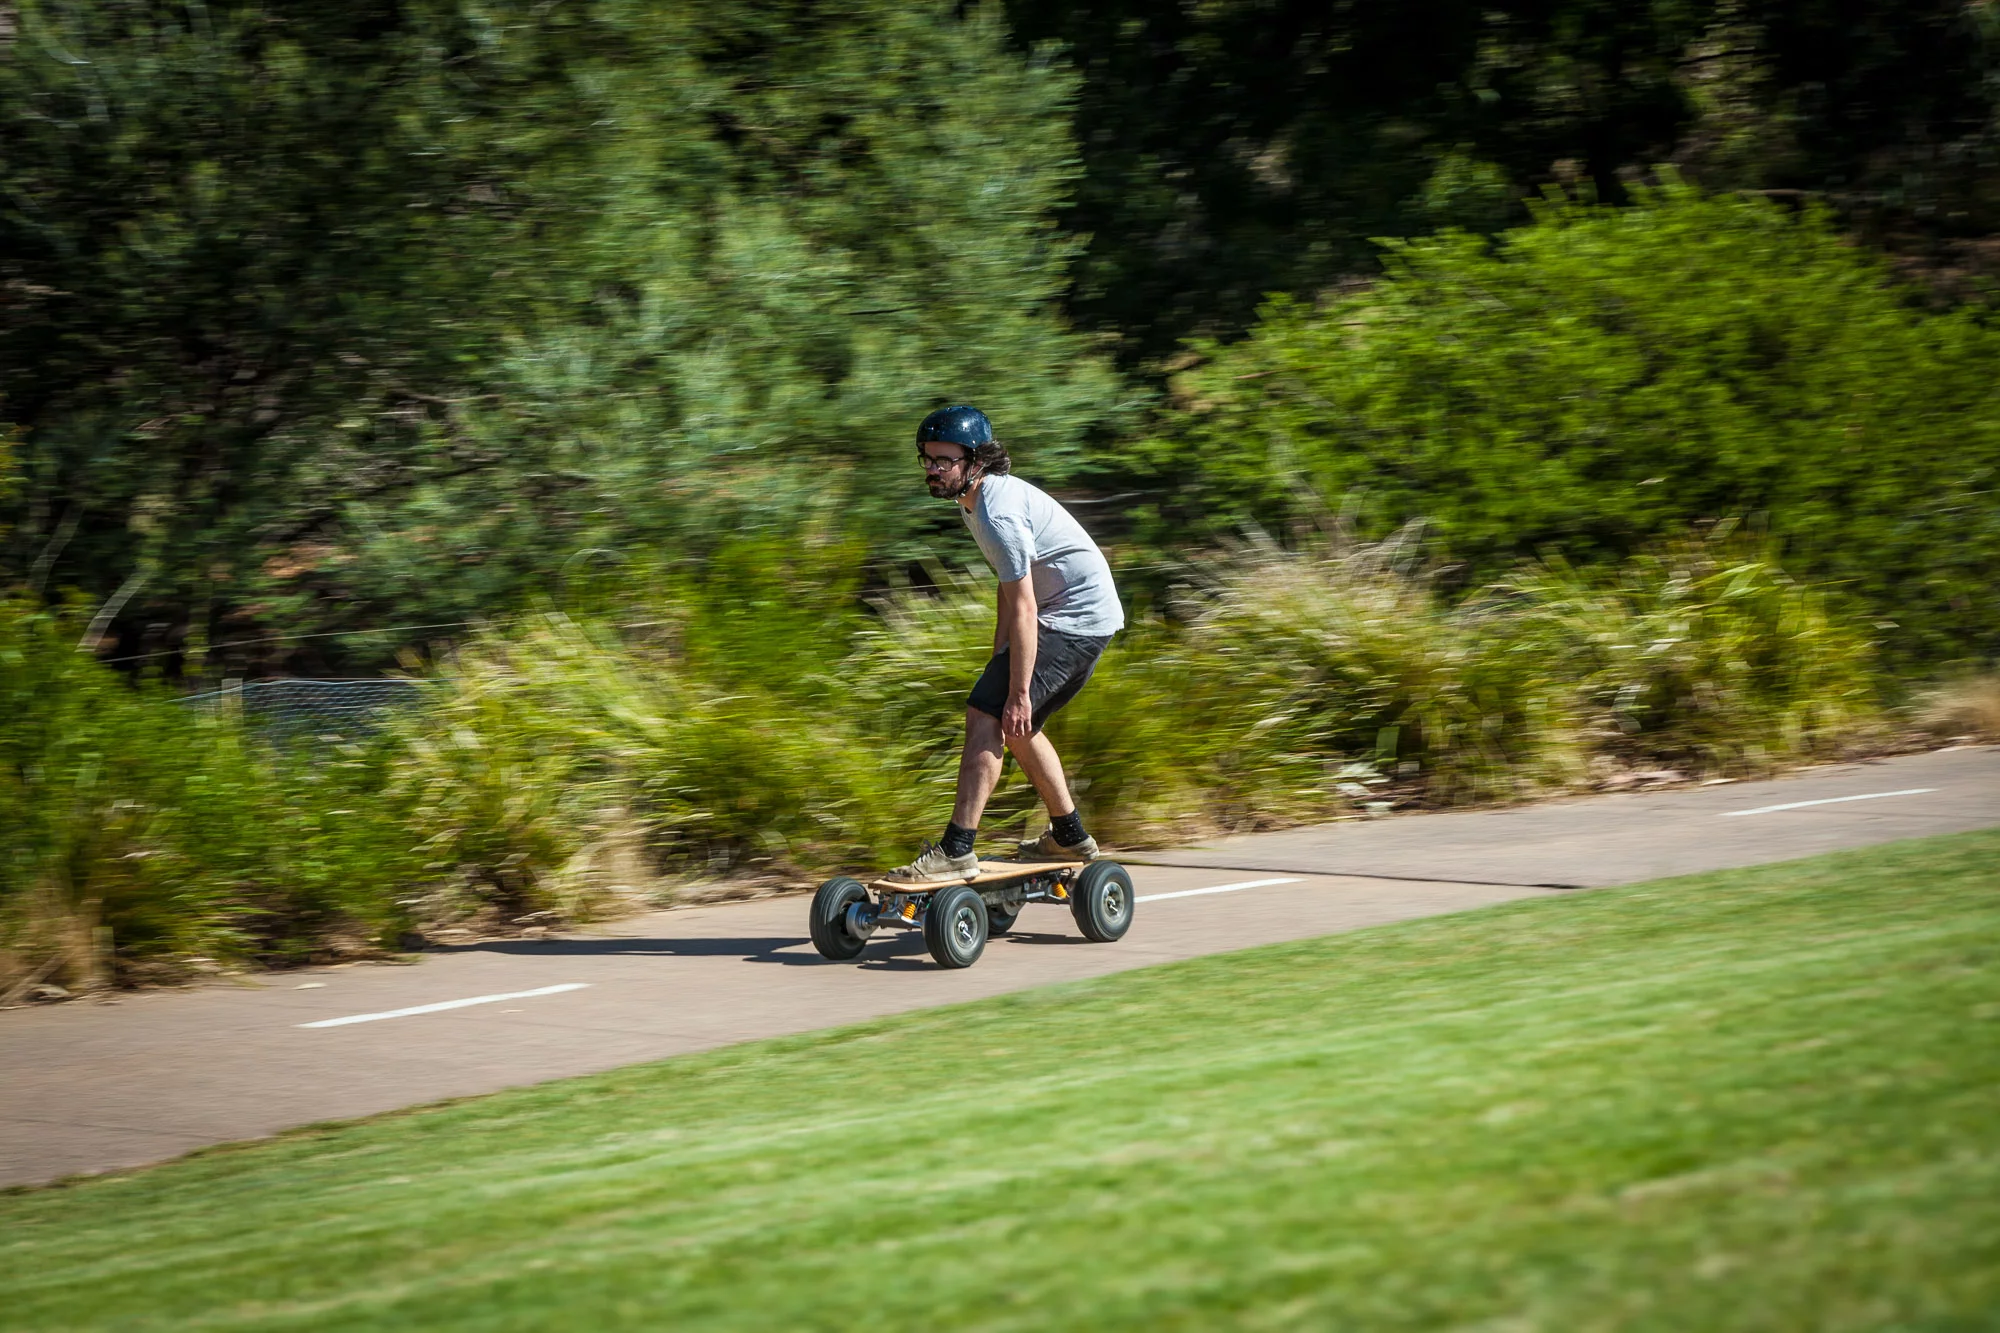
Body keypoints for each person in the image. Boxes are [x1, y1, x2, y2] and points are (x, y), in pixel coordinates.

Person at [886, 405, 1125, 883]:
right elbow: (1009, 581)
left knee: (990, 714)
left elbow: (1025, 606)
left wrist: (1015, 689)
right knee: (1015, 725)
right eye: (927, 460)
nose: (933, 470)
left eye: (943, 461)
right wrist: (1001, 657)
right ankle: (1069, 835)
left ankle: (956, 848)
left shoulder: (997, 511)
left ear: (976, 461)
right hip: (1066, 615)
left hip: (1076, 619)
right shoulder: (975, 499)